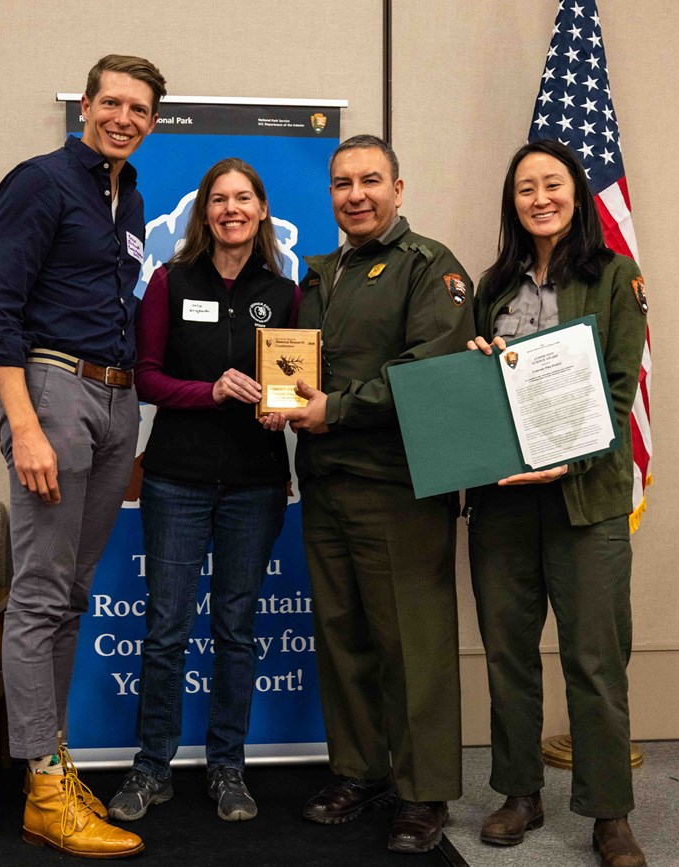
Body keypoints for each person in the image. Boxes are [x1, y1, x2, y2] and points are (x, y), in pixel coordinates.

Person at [0, 53, 167, 859]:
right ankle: (46, 784)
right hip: (54, 391)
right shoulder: (41, 182)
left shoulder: (130, 197)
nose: (124, 118)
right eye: (112, 103)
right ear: (86, 105)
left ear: (152, 121)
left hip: (118, 401)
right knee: (40, 595)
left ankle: (48, 772)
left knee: (72, 596)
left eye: (140, 109)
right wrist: (24, 426)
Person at [273, 134, 474, 854]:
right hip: (326, 482)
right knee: (343, 638)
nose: (354, 195)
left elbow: (429, 371)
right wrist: (281, 402)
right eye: (341, 183)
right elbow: (296, 371)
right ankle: (358, 772)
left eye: (369, 180)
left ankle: (424, 793)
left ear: (398, 189)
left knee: (412, 644)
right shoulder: (319, 274)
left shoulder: (430, 267)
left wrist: (336, 408)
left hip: (398, 486)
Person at [466, 139, 649, 867]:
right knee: (508, 653)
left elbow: (619, 388)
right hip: (503, 499)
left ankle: (609, 812)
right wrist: (478, 364)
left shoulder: (615, 276)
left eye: (552, 184)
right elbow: (480, 385)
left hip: (585, 497)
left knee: (595, 659)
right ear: (512, 203)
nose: (539, 198)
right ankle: (520, 793)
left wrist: (570, 457)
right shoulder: (493, 284)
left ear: (576, 192)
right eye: (525, 189)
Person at [105, 157, 299, 824]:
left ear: (262, 209)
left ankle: (227, 767)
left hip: (255, 482)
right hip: (176, 479)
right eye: (219, 199)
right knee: (166, 629)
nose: (231, 209)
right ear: (204, 212)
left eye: (243, 198)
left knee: (236, 630)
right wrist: (209, 391)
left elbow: (294, 384)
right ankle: (151, 766)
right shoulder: (169, 280)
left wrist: (283, 409)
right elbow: (147, 377)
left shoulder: (285, 291)